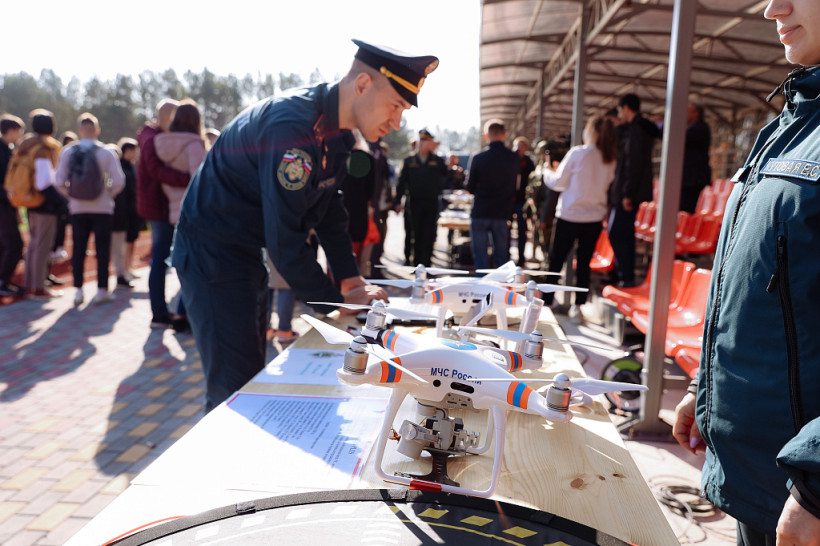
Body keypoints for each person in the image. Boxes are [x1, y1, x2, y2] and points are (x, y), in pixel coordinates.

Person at [171, 39, 438, 412]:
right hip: (211, 254)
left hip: (243, 251)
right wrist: (335, 302)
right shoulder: (292, 128)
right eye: (395, 106)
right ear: (362, 85)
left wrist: (350, 280)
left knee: (249, 377)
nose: (397, 122)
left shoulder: (337, 132)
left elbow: (329, 209)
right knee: (232, 389)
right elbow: (286, 243)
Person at [673, 1, 820, 544]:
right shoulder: (790, 123)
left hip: (801, 494)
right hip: (763, 479)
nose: (772, 8)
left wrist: (816, 485)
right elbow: (750, 282)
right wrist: (704, 388)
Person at [541, 116, 617, 323]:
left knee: (556, 261)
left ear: (591, 130)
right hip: (594, 219)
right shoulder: (609, 157)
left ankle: (547, 302)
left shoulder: (578, 153)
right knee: (584, 264)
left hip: (569, 216)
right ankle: (578, 307)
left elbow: (558, 182)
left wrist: (547, 171)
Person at [55, 113, 125, 305]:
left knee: (78, 249)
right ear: (97, 130)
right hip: (102, 208)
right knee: (102, 250)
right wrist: (108, 194)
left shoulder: (68, 151)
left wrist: (72, 196)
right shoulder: (106, 152)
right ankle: (102, 290)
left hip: (77, 208)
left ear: (79, 130)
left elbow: (58, 181)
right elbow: (119, 181)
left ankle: (78, 290)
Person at [136, 99, 192, 328]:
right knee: (161, 258)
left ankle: (169, 311)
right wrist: (189, 179)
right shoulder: (152, 140)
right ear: (168, 118)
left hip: (163, 205)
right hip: (159, 206)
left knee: (165, 258)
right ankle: (159, 313)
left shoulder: (156, 137)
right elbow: (156, 171)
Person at [606, 93, 661, 287]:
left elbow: (633, 164)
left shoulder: (637, 130)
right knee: (626, 234)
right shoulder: (636, 129)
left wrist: (627, 193)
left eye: (620, 110)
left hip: (629, 192)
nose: (619, 114)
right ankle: (625, 277)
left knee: (616, 233)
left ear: (627, 108)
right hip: (629, 190)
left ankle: (626, 276)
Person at [19, 110, 64, 299]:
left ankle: (29, 283)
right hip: (45, 204)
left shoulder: (27, 145)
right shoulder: (43, 149)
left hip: (31, 201)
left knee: (34, 244)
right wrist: (62, 201)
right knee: (42, 246)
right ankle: (39, 287)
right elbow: (43, 182)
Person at [466, 119, 520, 270]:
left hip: (480, 212)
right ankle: (501, 285)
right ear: (504, 135)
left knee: (480, 259)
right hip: (502, 213)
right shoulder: (513, 158)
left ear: (486, 136)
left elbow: (470, 188)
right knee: (502, 259)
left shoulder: (478, 158)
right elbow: (516, 186)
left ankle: (481, 284)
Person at [394, 128, 447, 267]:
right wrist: (397, 202)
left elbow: (447, 177)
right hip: (414, 203)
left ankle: (427, 265)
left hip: (431, 203)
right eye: (420, 140)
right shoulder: (409, 160)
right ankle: (416, 264)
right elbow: (401, 183)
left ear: (430, 143)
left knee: (429, 234)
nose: (422, 143)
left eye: (425, 140)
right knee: (415, 234)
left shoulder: (437, 160)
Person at [0, 114, 25, 297]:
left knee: (5, 244)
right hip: (3, 204)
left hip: (7, 203)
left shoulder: (8, 149)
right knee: (14, 244)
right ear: (10, 130)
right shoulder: (2, 150)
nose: (20, 135)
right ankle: (3, 281)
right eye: (19, 131)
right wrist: (8, 197)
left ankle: (3, 281)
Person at [111, 138, 141, 287]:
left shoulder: (130, 167)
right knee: (121, 243)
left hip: (131, 209)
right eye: (134, 151)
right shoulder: (120, 167)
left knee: (130, 240)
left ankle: (127, 268)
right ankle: (122, 271)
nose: (136, 154)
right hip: (123, 211)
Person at [365, 139, 393, 278]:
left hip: (377, 205)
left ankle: (374, 268)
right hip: (369, 205)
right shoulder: (367, 150)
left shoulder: (378, 154)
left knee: (377, 237)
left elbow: (384, 180)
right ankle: (370, 270)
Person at [679, 102, 712, 214]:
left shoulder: (699, 128)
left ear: (696, 113)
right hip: (689, 178)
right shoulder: (692, 128)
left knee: (685, 209)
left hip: (693, 179)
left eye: (687, 111)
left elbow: (682, 137)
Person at [512, 136, 535, 265]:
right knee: (506, 228)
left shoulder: (528, 162)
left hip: (522, 201)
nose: (519, 148)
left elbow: (532, 180)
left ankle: (521, 257)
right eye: (517, 145)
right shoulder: (510, 159)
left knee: (522, 228)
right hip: (509, 200)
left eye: (522, 145)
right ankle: (505, 256)